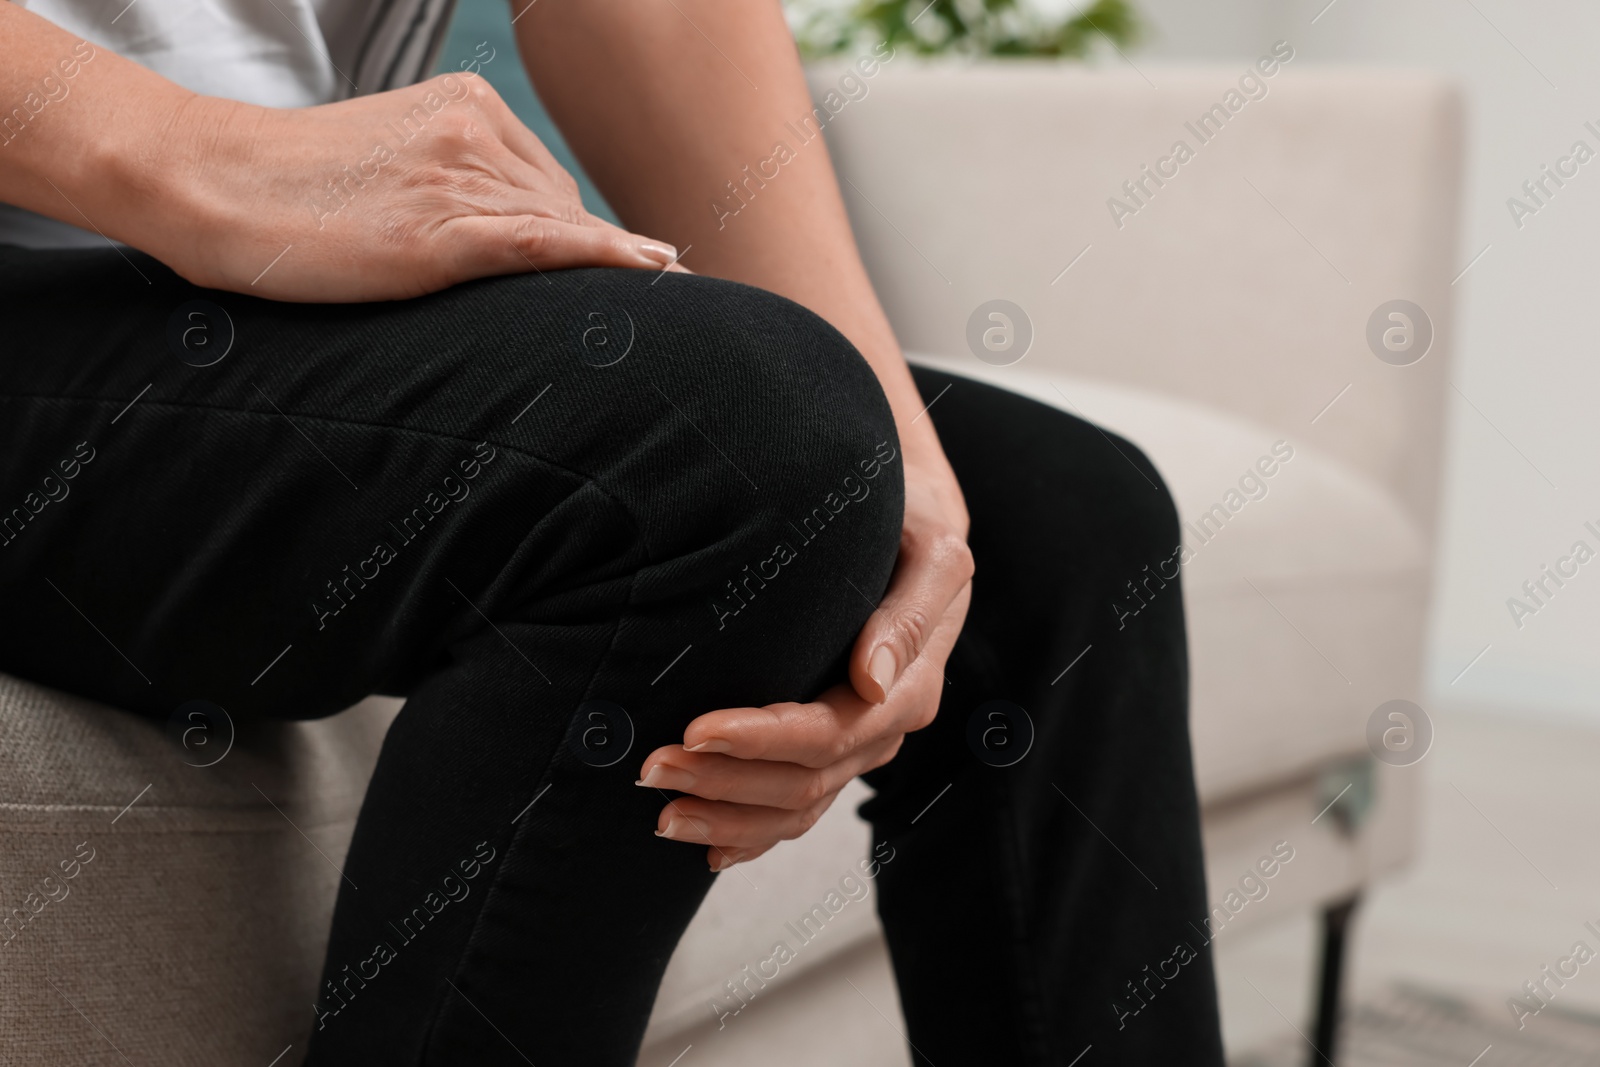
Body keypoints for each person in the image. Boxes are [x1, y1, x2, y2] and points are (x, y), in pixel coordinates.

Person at [0, 0, 1224, 1062]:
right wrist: (199, 156)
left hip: (254, 278)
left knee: (1062, 532)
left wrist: (900, 459)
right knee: (717, 452)